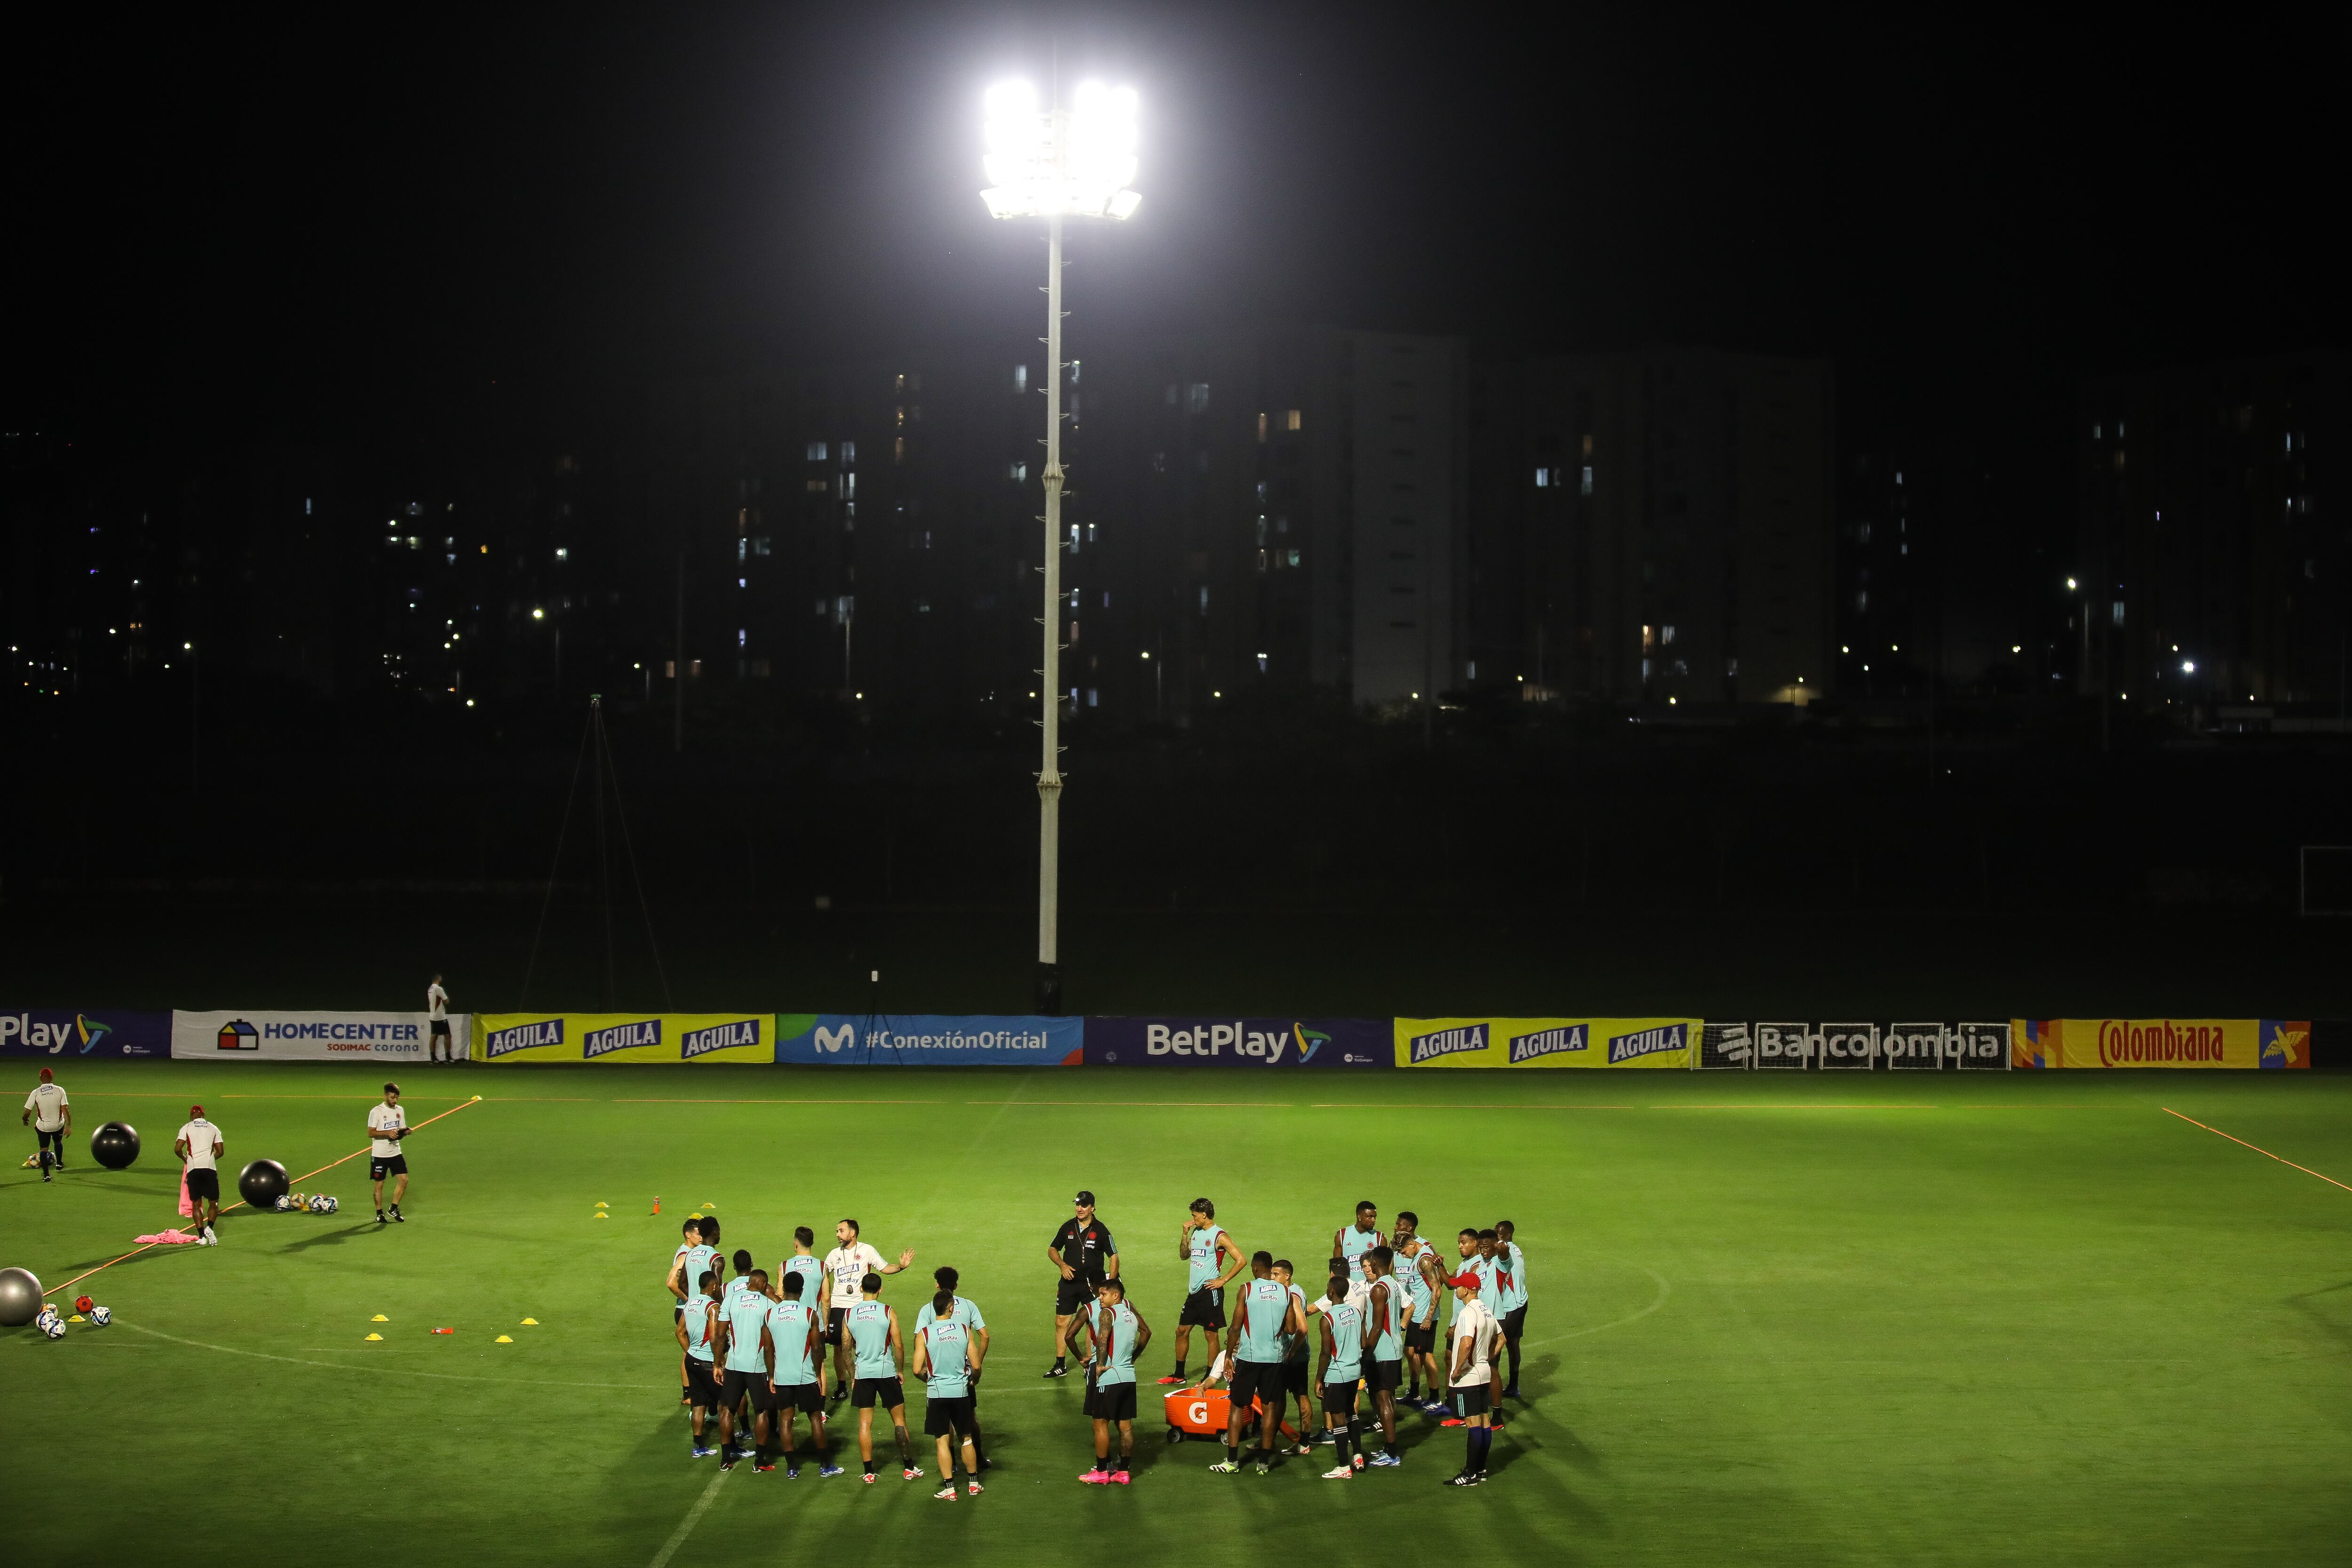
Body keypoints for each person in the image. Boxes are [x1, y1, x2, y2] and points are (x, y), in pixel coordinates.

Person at [1209, 1251, 1303, 1476]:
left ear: (1254, 1268)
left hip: (1249, 1359)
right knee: (1270, 1408)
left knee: (1237, 1406)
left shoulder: (1247, 1289)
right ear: (1270, 1270)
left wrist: (1229, 1356)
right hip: (1274, 1360)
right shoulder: (1286, 1291)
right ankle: (1263, 1463)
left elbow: (1235, 1327)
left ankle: (1232, 1461)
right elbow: (1291, 1328)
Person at [822, 1219, 913, 1404]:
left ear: (853, 1233)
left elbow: (884, 1268)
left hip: (859, 1305)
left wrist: (901, 1267)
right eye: (837, 1231)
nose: (837, 1235)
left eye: (841, 1231)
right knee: (839, 1347)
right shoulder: (833, 1254)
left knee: (859, 1344)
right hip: (839, 1305)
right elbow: (824, 1274)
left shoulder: (866, 1250)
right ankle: (842, 1386)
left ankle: (861, 1378)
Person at [843, 1273, 922, 1482]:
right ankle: (908, 1468)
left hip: (863, 1374)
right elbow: (898, 1344)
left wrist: (853, 1375)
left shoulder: (849, 1314)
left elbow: (845, 1348)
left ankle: (868, 1472)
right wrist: (901, 1370)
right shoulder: (887, 1311)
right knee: (899, 1421)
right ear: (880, 1290)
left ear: (861, 1289)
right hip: (886, 1371)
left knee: (865, 1424)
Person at [762, 1271, 840, 1478]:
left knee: (786, 1420)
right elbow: (816, 1348)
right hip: (805, 1376)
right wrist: (816, 1373)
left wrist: (771, 1376)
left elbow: (768, 1350)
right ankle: (825, 1465)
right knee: (815, 1418)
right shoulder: (809, 1314)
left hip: (782, 1376)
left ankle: (792, 1467)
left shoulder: (771, 1314)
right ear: (802, 1290)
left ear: (784, 1289)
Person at [914, 1266, 990, 1470]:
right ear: (956, 1285)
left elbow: (918, 1339)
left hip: (938, 1374)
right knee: (969, 1419)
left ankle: (952, 1465)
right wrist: (977, 1366)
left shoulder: (928, 1309)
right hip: (964, 1373)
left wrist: (927, 1371)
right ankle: (979, 1459)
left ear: (937, 1285)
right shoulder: (968, 1306)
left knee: (944, 1423)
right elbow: (985, 1336)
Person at [1160, 1197, 1243, 1384]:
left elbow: (1241, 1260)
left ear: (1204, 1215)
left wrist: (1223, 1280)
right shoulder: (1196, 1232)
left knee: (1210, 1335)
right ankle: (1179, 1375)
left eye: (1194, 1215)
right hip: (1194, 1293)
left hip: (1210, 1292)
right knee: (1181, 1331)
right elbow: (1184, 1256)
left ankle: (1209, 1376)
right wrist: (1184, 1234)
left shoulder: (1219, 1236)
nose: (1193, 1218)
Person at [911, 1288, 983, 1501]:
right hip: (961, 1392)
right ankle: (973, 1484)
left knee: (942, 1441)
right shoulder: (963, 1330)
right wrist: (972, 1377)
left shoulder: (925, 1334)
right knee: (966, 1439)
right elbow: (976, 1364)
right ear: (951, 1308)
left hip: (937, 1394)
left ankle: (950, 1489)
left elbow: (917, 1369)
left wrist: (930, 1378)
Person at [1079, 1276, 1150, 1484]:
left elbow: (1102, 1339)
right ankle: (1124, 1472)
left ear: (1115, 1295)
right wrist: (1133, 1358)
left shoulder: (1107, 1313)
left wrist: (1099, 1365)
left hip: (1110, 1377)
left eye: (1104, 1294)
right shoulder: (1131, 1314)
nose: (1100, 1297)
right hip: (1129, 1376)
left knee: (1100, 1424)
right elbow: (1147, 1333)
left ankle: (1102, 1472)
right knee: (1126, 1427)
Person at [1043, 1189, 1118, 1377]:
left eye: (1084, 1205)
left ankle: (1091, 1363)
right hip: (1069, 1283)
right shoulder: (1068, 1227)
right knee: (1061, 1322)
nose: (1080, 1208)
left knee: (1091, 1323)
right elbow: (1053, 1249)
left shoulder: (1101, 1230)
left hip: (1091, 1286)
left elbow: (1114, 1257)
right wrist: (1062, 1265)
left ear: (1093, 1208)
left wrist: (1111, 1283)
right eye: (1077, 1205)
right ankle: (1060, 1364)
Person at [713, 1267, 777, 1470]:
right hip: (757, 1367)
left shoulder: (731, 1299)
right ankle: (759, 1461)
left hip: (733, 1363)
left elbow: (720, 1336)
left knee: (727, 1409)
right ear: (765, 1286)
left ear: (750, 1282)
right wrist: (772, 1374)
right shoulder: (767, 1304)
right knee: (761, 1411)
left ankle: (726, 1458)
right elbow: (768, 1345)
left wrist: (717, 1363)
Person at [1445, 1271, 1504, 1486]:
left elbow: (1467, 1343)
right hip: (1484, 1372)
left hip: (1469, 1376)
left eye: (1458, 1286)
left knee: (1472, 1422)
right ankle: (1481, 1468)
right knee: (1484, 1419)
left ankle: (1470, 1473)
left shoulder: (1468, 1313)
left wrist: (1458, 1369)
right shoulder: (1486, 1310)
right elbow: (1502, 1338)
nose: (1456, 1289)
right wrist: (1487, 1359)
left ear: (1467, 1290)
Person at [1314, 1260, 1372, 1480]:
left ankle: (1343, 1466)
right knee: (1351, 1414)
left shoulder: (1327, 1319)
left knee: (1338, 1418)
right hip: (1354, 1372)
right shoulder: (1356, 1312)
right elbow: (1364, 1342)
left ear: (1331, 1292)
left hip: (1336, 1374)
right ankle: (1358, 1456)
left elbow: (1326, 1354)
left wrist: (1319, 1379)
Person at [1393, 1213, 1446, 1410]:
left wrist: (1429, 1318)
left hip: (1424, 1317)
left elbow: (1438, 1289)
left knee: (1427, 1356)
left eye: (1404, 1252)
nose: (1404, 1256)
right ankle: (1415, 1393)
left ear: (1412, 1244)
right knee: (1411, 1352)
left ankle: (1435, 1399)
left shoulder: (1424, 1260)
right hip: (1417, 1315)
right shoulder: (1417, 1256)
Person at [1359, 1247, 1406, 1466]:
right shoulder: (1394, 1285)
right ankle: (1390, 1447)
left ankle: (1392, 1453)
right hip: (1394, 1349)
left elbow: (1377, 1326)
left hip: (1382, 1352)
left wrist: (1366, 1352)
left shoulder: (1379, 1289)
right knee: (1388, 1398)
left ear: (1376, 1264)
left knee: (1383, 1399)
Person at [1269, 1260, 1317, 1458]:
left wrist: (1291, 1352)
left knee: (1298, 1396)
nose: (1272, 1278)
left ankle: (1304, 1442)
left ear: (1287, 1276)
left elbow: (1302, 1328)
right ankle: (1268, 1439)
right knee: (1281, 1397)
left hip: (1293, 1358)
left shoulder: (1293, 1295)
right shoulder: (1296, 1291)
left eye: (1276, 1274)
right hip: (1293, 1356)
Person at [676, 1271, 723, 1457]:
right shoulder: (713, 1307)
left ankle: (698, 1446)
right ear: (713, 1286)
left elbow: (680, 1332)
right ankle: (731, 1442)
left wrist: (691, 1353)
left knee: (698, 1404)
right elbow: (713, 1338)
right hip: (707, 1362)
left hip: (692, 1360)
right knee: (727, 1401)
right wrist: (720, 1362)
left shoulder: (690, 1304)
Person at [174, 1105, 224, 1244]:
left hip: (193, 1169)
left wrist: (185, 1158)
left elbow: (177, 1148)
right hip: (209, 1168)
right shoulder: (213, 1128)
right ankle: (211, 1227)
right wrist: (211, 1159)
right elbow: (220, 1151)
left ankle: (202, 1237)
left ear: (192, 1116)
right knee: (213, 1202)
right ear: (203, 1115)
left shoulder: (187, 1127)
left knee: (196, 1204)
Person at [1494, 1219, 1529, 1398]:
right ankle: (1513, 1386)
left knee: (1499, 1343)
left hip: (1512, 1306)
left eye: (1499, 1234)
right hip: (1518, 1303)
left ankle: (1494, 1384)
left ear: (1508, 1235)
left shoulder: (1508, 1253)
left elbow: (1508, 1281)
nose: (1496, 1237)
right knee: (1513, 1342)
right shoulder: (1514, 1250)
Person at [367, 1082, 409, 1224]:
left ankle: (394, 1208)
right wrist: (387, 1133)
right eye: (392, 1098)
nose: (395, 1101)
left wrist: (406, 1132)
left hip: (395, 1152)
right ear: (385, 1096)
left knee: (404, 1181)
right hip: (380, 1155)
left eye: (397, 1098)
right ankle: (379, 1213)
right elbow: (370, 1133)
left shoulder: (400, 1110)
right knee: (380, 1184)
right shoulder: (376, 1112)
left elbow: (400, 1131)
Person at [22, 1066, 69, 1181]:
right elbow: (65, 1109)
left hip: (44, 1127)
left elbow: (28, 1111)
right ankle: (59, 1164)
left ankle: (47, 1176)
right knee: (58, 1142)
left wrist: (25, 1119)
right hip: (58, 1125)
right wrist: (68, 1125)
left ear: (40, 1078)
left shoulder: (36, 1092)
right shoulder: (60, 1090)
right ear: (52, 1077)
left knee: (44, 1149)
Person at [1333, 1200, 1382, 1286]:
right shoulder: (1342, 1235)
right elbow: (1337, 1265)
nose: (1374, 1220)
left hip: (1371, 1287)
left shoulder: (1379, 1238)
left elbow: (1385, 1266)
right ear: (1359, 1217)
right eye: (1370, 1217)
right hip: (1349, 1287)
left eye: (1375, 1217)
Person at [426, 974, 453, 1063]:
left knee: (434, 1036)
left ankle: (433, 1058)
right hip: (440, 1017)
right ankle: (448, 1058)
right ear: (439, 979)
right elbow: (447, 1001)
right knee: (448, 1036)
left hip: (432, 1016)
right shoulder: (438, 989)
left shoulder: (430, 989)